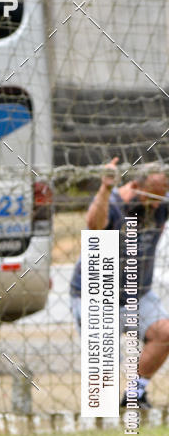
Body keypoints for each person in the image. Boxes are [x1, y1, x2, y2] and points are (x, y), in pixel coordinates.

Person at [70, 158, 169, 409]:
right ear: (136, 186)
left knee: (165, 333)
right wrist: (104, 188)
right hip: (97, 294)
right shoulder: (114, 203)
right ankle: (103, 412)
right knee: (104, 376)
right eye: (153, 197)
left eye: (162, 196)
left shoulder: (160, 204)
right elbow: (94, 225)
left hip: (139, 295)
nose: (157, 204)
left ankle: (135, 395)